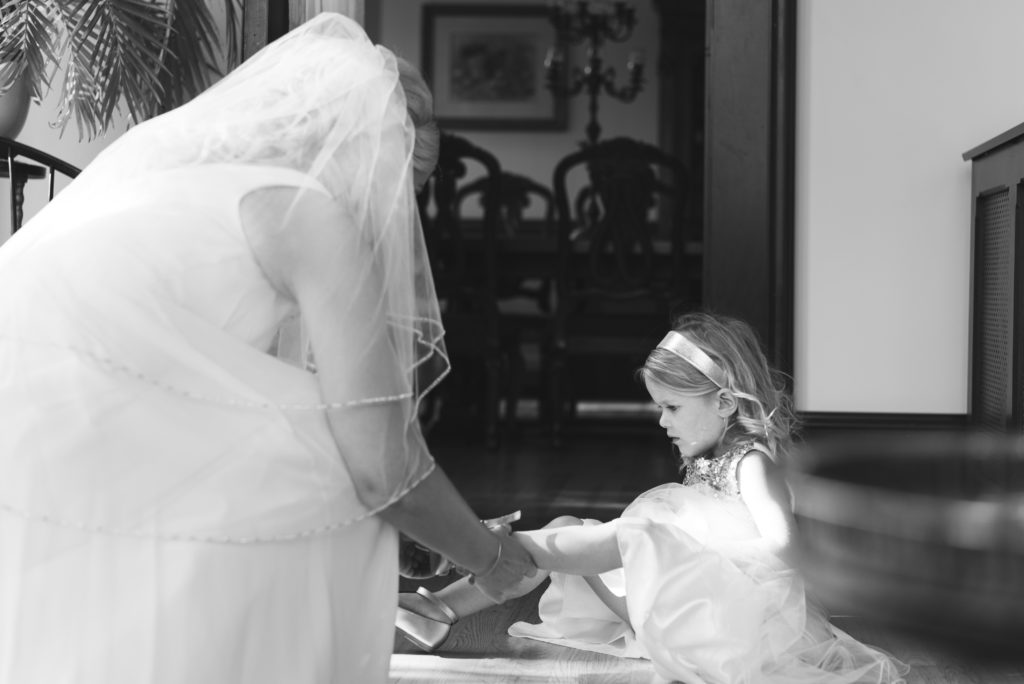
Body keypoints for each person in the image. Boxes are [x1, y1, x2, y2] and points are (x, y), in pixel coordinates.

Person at [0, 13, 535, 684]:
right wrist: (489, 559)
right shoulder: (309, 213)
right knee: (333, 467)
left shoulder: (180, 176)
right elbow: (381, 469)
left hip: (32, 430)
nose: (404, 209)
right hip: (83, 419)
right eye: (402, 178)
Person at [396, 312, 909, 684]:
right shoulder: (711, 456)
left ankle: (470, 549)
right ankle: (441, 605)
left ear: (726, 403)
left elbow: (784, 547)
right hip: (667, 597)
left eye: (672, 407)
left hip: (711, 618)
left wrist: (690, 555)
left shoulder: (753, 463)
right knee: (569, 524)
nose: (662, 421)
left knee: (632, 532)